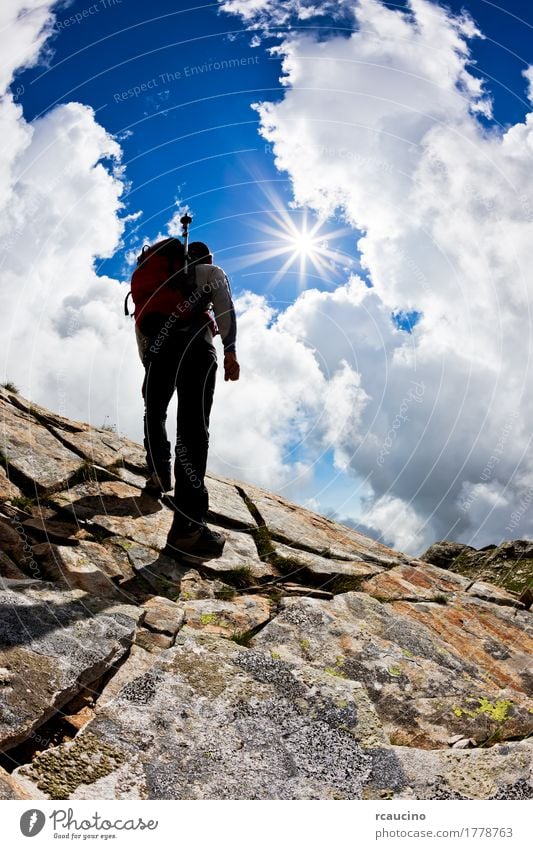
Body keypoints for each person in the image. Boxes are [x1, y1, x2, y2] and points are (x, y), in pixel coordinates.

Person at [137, 239, 239, 558]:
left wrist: (151, 364)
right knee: (193, 430)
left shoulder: (155, 283)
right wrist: (231, 349)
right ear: (204, 258)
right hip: (197, 345)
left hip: (157, 351)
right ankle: (188, 528)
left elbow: (142, 327)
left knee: (155, 412)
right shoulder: (209, 271)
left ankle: (158, 469)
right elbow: (223, 305)